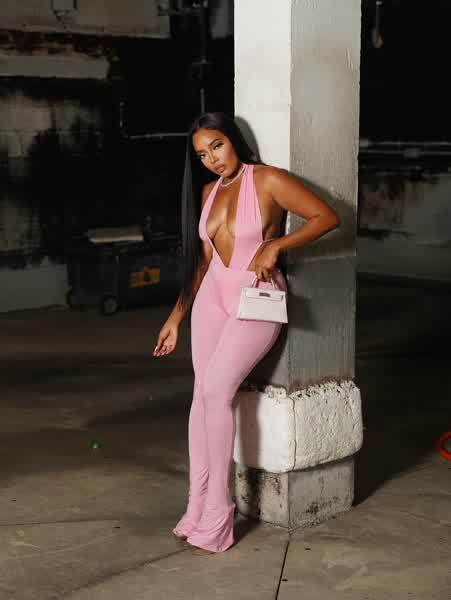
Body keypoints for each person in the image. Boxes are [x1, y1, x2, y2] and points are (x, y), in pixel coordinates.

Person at [153, 112, 340, 554]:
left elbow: (326, 217)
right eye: (203, 154)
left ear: (234, 140)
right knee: (201, 398)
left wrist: (276, 245)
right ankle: (196, 506)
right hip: (211, 297)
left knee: (216, 392)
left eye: (217, 145)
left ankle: (219, 516)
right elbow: (203, 263)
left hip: (255, 295)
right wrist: (175, 317)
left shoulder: (268, 180)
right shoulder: (208, 191)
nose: (213, 159)